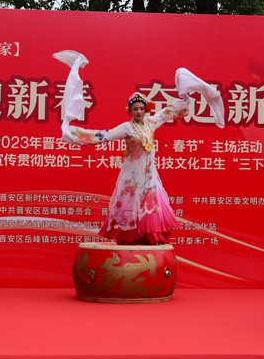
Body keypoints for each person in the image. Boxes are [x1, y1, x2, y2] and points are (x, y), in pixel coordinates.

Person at [56, 50, 224, 244]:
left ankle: (150, 240)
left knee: (151, 209)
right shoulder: (127, 127)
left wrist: (184, 99)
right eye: (135, 109)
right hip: (131, 176)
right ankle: (128, 243)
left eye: (141, 109)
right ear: (130, 111)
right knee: (129, 206)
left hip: (150, 175)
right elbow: (104, 135)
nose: (138, 112)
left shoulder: (151, 123)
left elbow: (167, 113)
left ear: (145, 110)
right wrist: (73, 134)